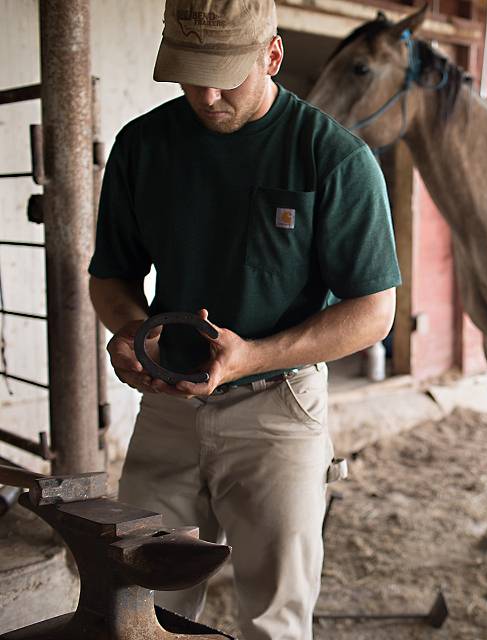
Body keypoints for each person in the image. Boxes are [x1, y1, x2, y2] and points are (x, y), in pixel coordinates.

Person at [87, 1, 401, 638]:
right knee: (141, 599)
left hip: (278, 403)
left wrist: (253, 355)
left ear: (272, 55)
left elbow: (374, 312)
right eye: (189, 73)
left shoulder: (332, 158)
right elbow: (110, 278)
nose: (206, 94)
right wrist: (130, 330)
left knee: (275, 612)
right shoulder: (143, 147)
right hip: (168, 399)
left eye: (225, 74)